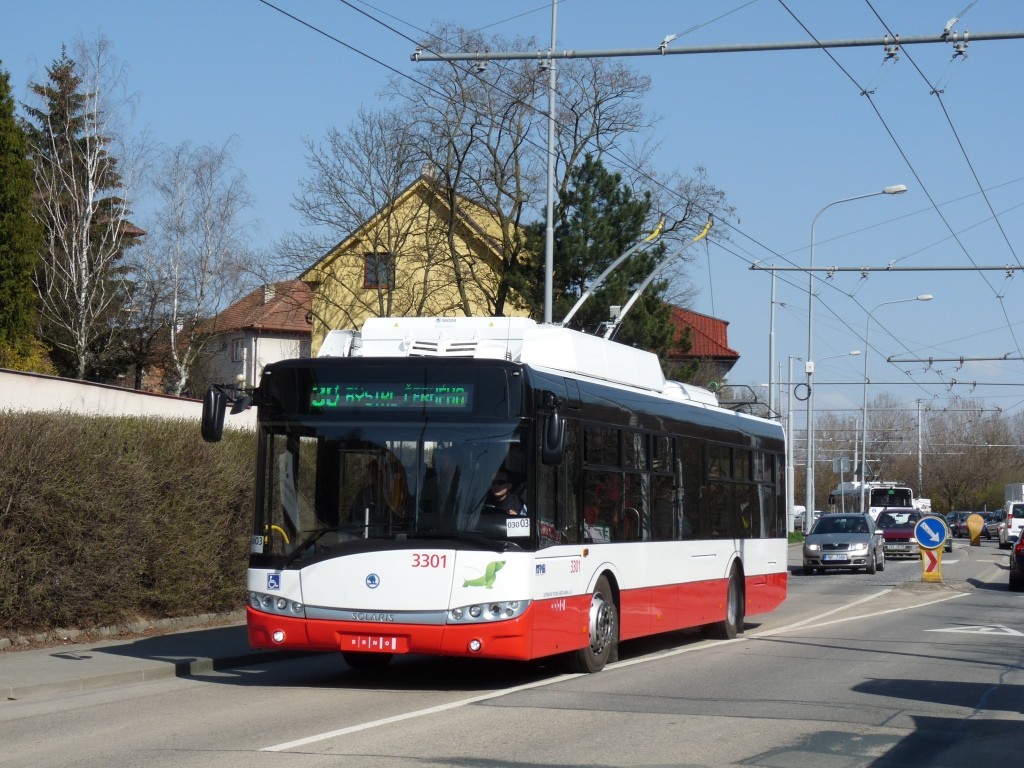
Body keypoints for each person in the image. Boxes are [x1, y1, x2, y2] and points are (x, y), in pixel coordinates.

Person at [349, 458, 405, 533]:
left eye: (379, 472)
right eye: (372, 472)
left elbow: (401, 516)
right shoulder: (364, 494)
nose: (375, 475)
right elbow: (354, 519)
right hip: (367, 534)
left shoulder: (396, 493)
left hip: (391, 534)